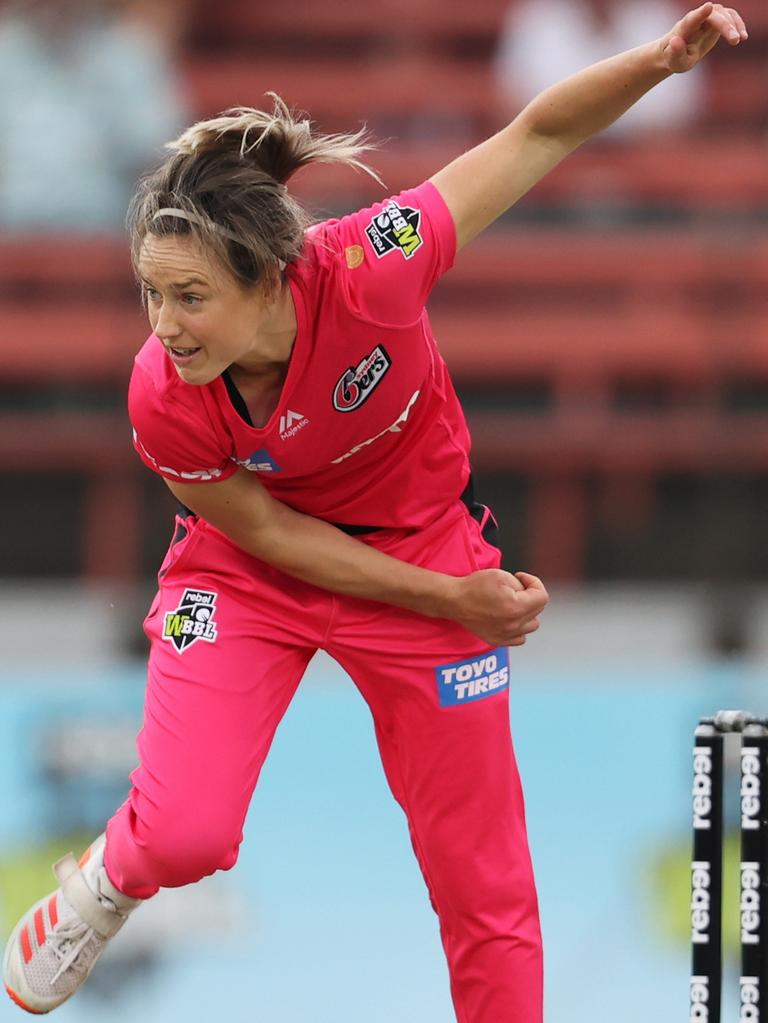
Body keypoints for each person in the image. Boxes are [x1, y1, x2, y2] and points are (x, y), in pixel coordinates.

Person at [2, 4, 747, 1021]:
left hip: (421, 544)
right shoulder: (160, 394)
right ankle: (102, 883)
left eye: (190, 298)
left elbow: (537, 134)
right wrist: (454, 597)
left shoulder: (372, 265)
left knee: (483, 883)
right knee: (186, 837)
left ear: (270, 283)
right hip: (247, 570)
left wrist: (660, 61)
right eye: (151, 295)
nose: (164, 328)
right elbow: (267, 532)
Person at [0, 0, 187, 231]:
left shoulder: (130, 54)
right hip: (11, 229)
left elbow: (164, 156)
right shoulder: (5, 53)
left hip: (107, 231)